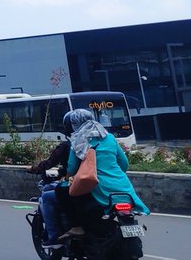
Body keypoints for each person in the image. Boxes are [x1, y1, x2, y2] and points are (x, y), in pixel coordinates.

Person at [61, 109, 150, 257]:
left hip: (99, 186)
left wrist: (69, 176)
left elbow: (71, 167)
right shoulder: (108, 137)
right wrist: (112, 173)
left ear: (74, 124)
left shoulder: (79, 139)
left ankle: (77, 227)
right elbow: (124, 164)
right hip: (123, 187)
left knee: (68, 192)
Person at [27, 124, 74, 248]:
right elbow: (123, 164)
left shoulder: (74, 146)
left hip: (79, 185)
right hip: (113, 188)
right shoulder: (106, 142)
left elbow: (71, 168)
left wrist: (33, 169)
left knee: (47, 197)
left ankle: (54, 236)